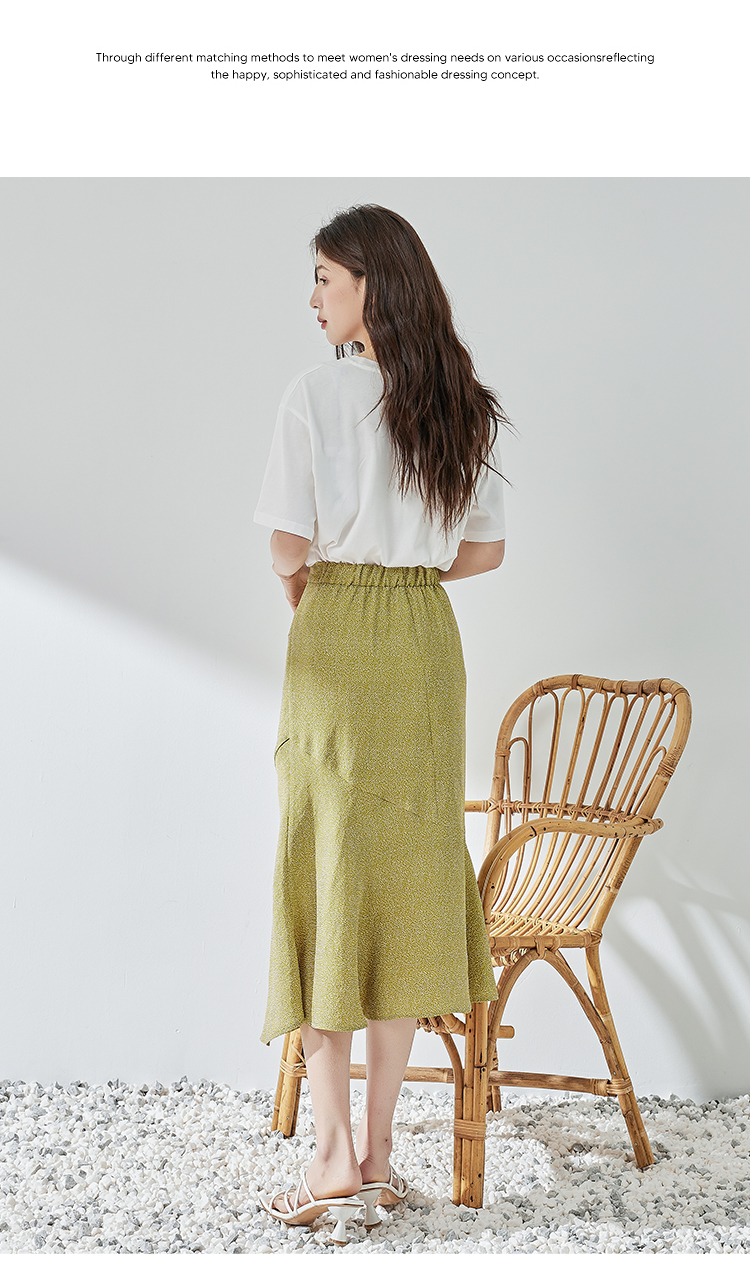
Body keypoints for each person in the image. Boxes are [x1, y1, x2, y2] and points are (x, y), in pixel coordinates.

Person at [253, 204, 508, 1243]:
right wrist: (410, 564)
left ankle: (328, 1157)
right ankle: (379, 1155)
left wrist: (313, 579)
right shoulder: (458, 399)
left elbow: (286, 544)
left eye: (325, 277)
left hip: (340, 638)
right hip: (424, 644)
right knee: (403, 884)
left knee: (327, 875)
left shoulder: (315, 394)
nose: (313, 297)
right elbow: (484, 551)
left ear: (369, 282)